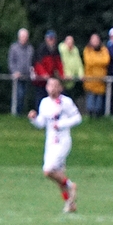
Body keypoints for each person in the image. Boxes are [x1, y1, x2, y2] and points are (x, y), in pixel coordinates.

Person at [28, 77, 82, 213]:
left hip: (62, 141)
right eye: (49, 85)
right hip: (50, 142)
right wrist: (34, 119)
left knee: (48, 170)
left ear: (60, 88)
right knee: (59, 175)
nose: (52, 88)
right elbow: (42, 123)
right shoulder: (45, 102)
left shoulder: (66, 102)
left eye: (55, 85)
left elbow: (77, 118)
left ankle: (70, 185)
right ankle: (70, 204)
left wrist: (62, 124)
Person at [31, 30, 63, 104]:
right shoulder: (41, 49)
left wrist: (61, 74)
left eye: (52, 39)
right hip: (41, 81)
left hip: (50, 79)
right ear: (46, 39)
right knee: (40, 98)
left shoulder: (56, 50)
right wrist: (43, 74)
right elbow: (38, 64)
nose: (51, 40)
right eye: (49, 38)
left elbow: (59, 64)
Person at [82, 33, 110, 117]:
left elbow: (106, 60)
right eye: (93, 40)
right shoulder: (87, 50)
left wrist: (95, 60)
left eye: (96, 39)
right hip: (90, 80)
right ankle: (90, 116)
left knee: (99, 100)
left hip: (101, 80)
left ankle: (97, 116)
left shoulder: (104, 49)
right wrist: (99, 60)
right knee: (90, 99)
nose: (95, 41)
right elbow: (89, 61)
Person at [8, 28, 33, 115]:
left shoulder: (30, 48)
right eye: (22, 36)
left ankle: (23, 111)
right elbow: (11, 61)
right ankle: (17, 112)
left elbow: (32, 61)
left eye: (25, 36)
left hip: (27, 76)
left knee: (25, 95)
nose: (24, 38)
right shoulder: (13, 47)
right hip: (17, 76)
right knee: (19, 94)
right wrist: (14, 72)